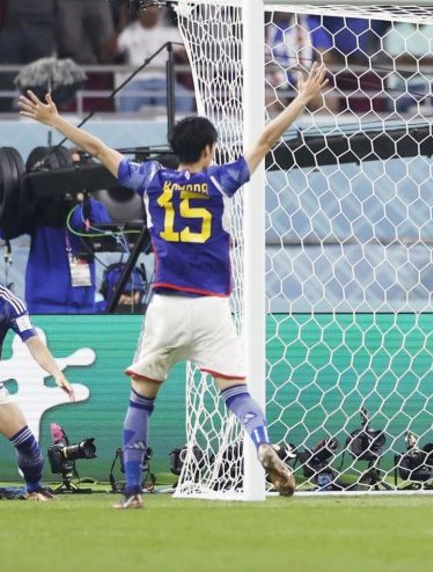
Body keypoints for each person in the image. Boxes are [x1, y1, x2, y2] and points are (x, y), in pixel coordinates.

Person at [18, 65, 330, 509]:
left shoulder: (151, 181)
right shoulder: (221, 182)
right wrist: (300, 100)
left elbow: (97, 148)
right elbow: (264, 142)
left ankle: (131, 493)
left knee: (141, 399)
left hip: (166, 306)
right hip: (211, 308)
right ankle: (260, 441)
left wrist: (55, 122)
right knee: (236, 391)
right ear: (208, 150)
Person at [0, 284, 76, 500]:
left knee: (28, 446)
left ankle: (33, 489)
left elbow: (34, 343)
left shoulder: (8, 303)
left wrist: (56, 373)